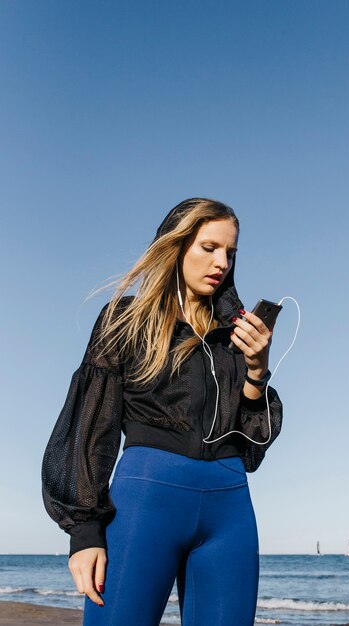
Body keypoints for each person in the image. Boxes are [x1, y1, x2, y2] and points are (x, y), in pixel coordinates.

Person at [41, 197, 283, 626]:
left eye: (230, 252)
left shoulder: (234, 338)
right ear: (177, 246)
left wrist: (257, 370)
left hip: (230, 512)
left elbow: (251, 449)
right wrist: (84, 532)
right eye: (209, 247)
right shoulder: (126, 320)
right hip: (145, 503)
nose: (222, 262)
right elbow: (91, 425)